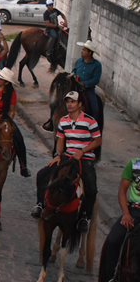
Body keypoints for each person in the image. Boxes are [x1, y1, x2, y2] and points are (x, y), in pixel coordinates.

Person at [31, 91, 101, 232]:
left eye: (72, 101)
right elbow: (61, 140)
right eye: (68, 101)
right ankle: (40, 204)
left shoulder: (90, 121)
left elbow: (97, 140)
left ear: (80, 104)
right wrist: (58, 155)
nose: (69, 104)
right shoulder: (63, 121)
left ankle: (85, 216)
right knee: (42, 174)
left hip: (84, 158)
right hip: (68, 157)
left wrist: (83, 151)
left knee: (91, 187)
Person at [102, 157, 140, 282]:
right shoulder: (134, 164)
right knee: (113, 240)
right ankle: (113, 279)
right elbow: (122, 190)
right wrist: (126, 213)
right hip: (134, 211)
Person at [73, 41, 102, 122]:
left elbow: (96, 80)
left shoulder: (97, 65)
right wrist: (74, 75)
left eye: (84, 50)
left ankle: (93, 125)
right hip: (75, 87)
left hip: (88, 89)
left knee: (95, 109)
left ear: (90, 53)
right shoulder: (79, 61)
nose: (82, 51)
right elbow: (74, 71)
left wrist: (84, 83)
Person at [43, 0, 63, 64]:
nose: (51, 6)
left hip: (56, 27)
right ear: (47, 6)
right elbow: (48, 24)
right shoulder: (46, 14)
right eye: (49, 5)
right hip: (50, 29)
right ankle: (48, 52)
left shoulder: (55, 10)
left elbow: (62, 14)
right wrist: (56, 26)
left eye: (52, 5)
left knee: (62, 35)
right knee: (54, 36)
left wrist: (65, 21)